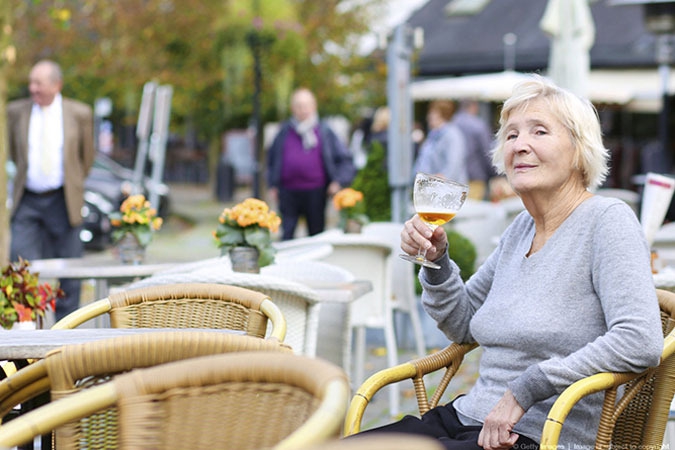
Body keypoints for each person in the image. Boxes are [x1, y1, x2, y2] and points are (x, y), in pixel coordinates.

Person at [356, 75, 663, 449]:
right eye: (512, 135)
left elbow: (640, 340)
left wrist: (526, 388)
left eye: (539, 132)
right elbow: (463, 324)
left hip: (540, 435)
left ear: (579, 149)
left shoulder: (607, 221)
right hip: (468, 418)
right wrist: (436, 261)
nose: (521, 145)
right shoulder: (521, 228)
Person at [8, 60, 95, 320]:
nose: (32, 88)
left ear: (57, 85)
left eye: (39, 83)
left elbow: (86, 157)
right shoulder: (16, 112)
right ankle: (24, 330)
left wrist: (74, 184)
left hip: (63, 199)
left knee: (70, 269)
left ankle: (67, 330)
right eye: (31, 82)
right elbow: (14, 152)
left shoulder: (79, 113)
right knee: (20, 266)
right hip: (28, 199)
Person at [267, 87, 355, 240]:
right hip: (288, 192)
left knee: (316, 235)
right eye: (299, 105)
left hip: (316, 191)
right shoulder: (284, 131)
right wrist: (272, 184)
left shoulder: (325, 131)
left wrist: (338, 181)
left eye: (306, 105)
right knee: (287, 235)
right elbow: (272, 160)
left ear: (314, 106)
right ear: (292, 108)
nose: (303, 110)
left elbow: (345, 159)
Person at [413, 100, 468, 185]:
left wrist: (439, 179)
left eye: (432, 113)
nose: (428, 117)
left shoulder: (452, 135)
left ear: (442, 115)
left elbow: (454, 164)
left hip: (446, 189)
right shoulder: (433, 135)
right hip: (431, 187)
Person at [454, 100, 496, 200]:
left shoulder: (451, 123)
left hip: (454, 179)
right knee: (473, 212)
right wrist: (496, 174)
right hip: (475, 178)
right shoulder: (478, 125)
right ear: (474, 106)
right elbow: (487, 153)